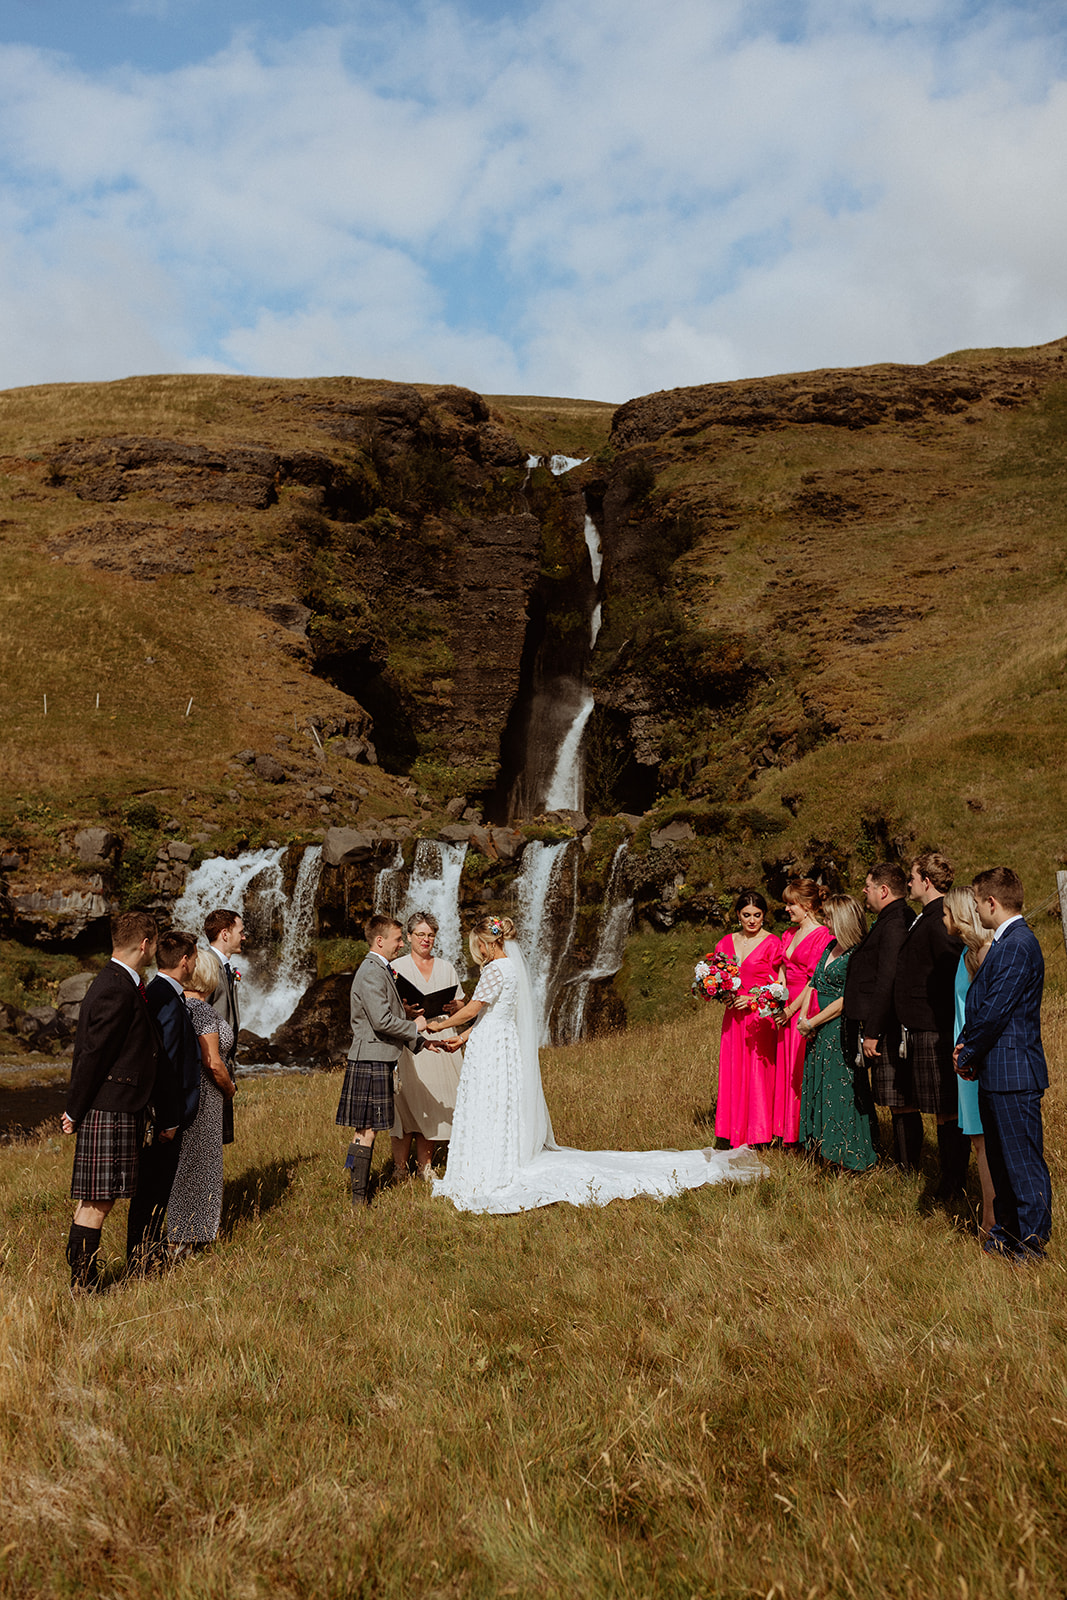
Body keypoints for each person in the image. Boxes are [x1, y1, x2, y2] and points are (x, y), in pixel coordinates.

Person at [426, 914, 763, 1214]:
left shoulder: (493, 970)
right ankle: (497, 1157)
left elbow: (473, 1009)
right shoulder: (511, 967)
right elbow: (493, 1014)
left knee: (488, 1103)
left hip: (491, 1047)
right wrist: (464, 1037)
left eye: (477, 947)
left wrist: (438, 1024)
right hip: (499, 1041)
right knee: (498, 1103)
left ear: (485, 944)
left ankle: (487, 1167)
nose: (478, 952)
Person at [954, 868, 1052, 1263]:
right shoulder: (1007, 941)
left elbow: (996, 1010)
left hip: (1013, 1073)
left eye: (977, 900)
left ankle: (1030, 1244)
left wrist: (967, 1051)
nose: (975, 908)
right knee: (1001, 1160)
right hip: (998, 1071)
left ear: (992, 902)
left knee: (1022, 1163)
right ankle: (1006, 1236)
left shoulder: (1016, 944)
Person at [60, 911, 160, 1294]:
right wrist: (74, 1108)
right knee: (98, 1201)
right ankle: (83, 1286)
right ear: (145, 944)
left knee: (95, 1199)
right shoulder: (117, 987)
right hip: (111, 1106)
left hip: (114, 1105)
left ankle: (83, 1282)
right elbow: (93, 1054)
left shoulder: (116, 981)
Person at [336, 914, 434, 1209]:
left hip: (374, 1057)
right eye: (398, 939)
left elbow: (386, 1015)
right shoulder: (371, 971)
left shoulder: (379, 969)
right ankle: (358, 1199)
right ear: (380, 941)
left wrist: (423, 1043)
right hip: (371, 1058)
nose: (402, 945)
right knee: (366, 1130)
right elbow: (381, 1021)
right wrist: (416, 1027)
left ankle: (353, 1185)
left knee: (362, 1129)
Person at [126, 929, 202, 1273]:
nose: (196, 964)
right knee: (154, 1188)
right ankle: (145, 1261)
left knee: (154, 1188)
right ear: (185, 961)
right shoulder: (167, 1000)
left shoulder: (157, 992)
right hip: (164, 1117)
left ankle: (147, 1254)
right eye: (195, 958)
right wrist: (169, 1119)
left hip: (160, 1113)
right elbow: (167, 1063)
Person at [894, 853, 966, 1197]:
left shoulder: (939, 919)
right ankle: (949, 1177)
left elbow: (953, 969)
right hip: (924, 1025)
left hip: (935, 1026)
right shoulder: (927, 916)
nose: (908, 882)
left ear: (926, 881)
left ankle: (953, 1181)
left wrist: (943, 1020)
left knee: (946, 1109)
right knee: (939, 1109)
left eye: (912, 876)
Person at [842, 863, 915, 1168]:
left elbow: (887, 978)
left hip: (887, 1026)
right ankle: (903, 1162)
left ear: (883, 891)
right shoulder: (887, 919)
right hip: (882, 1024)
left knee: (900, 1101)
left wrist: (872, 1031)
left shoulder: (895, 922)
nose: (864, 891)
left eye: (868, 886)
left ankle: (907, 1165)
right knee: (896, 1101)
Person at [797, 895, 877, 1171]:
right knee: (820, 1083)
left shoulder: (857, 952)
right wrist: (805, 1017)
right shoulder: (830, 945)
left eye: (830, 918)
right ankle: (823, 1148)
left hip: (839, 1027)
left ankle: (846, 1152)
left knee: (840, 1087)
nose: (826, 923)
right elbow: (814, 981)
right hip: (818, 1026)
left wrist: (814, 1021)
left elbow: (847, 998)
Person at [166, 950, 238, 1254]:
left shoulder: (181, 1005)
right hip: (207, 1097)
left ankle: (178, 1235)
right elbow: (213, 1063)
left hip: (188, 1094)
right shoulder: (203, 1011)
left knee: (185, 1166)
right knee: (201, 1167)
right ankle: (189, 1238)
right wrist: (230, 1089)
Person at [389, 911, 464, 1181]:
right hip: (411, 1041)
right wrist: (406, 1010)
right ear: (409, 937)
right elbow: (387, 1010)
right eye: (420, 934)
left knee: (433, 1103)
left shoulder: (446, 967)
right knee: (405, 1105)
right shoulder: (396, 968)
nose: (426, 939)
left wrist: (456, 1006)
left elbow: (462, 1005)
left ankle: (425, 1167)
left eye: (430, 935)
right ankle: (399, 1168)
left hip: (441, 1038)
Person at [942, 886, 996, 1241]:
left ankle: (992, 1221)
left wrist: (969, 1050)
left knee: (985, 1142)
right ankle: (991, 1215)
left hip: (974, 1058)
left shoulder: (979, 954)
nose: (942, 919)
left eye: (947, 913)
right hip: (964, 1058)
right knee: (979, 1141)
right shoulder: (965, 953)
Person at [713, 891, 785, 1148]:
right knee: (732, 1070)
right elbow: (719, 979)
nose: (752, 920)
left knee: (757, 1072)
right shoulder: (725, 943)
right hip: (733, 1017)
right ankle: (728, 1132)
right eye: (747, 915)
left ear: (764, 916)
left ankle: (759, 1135)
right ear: (738, 915)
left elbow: (779, 987)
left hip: (759, 1018)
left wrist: (753, 1000)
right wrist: (723, 996)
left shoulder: (773, 943)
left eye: (757, 915)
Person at [774, 879, 834, 1144]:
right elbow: (783, 966)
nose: (787, 909)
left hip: (804, 1006)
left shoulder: (823, 936)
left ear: (808, 905)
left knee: (800, 1071)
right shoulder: (789, 933)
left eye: (791, 903)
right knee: (785, 1071)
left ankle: (802, 1133)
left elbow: (814, 980)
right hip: (786, 1004)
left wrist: (791, 1010)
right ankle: (786, 1132)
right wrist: (779, 987)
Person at [205, 908, 244, 1144]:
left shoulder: (226, 968)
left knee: (215, 1141)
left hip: (222, 1064)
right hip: (210, 1065)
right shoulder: (207, 967)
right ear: (225, 934)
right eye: (241, 931)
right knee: (207, 1140)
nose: (244, 936)